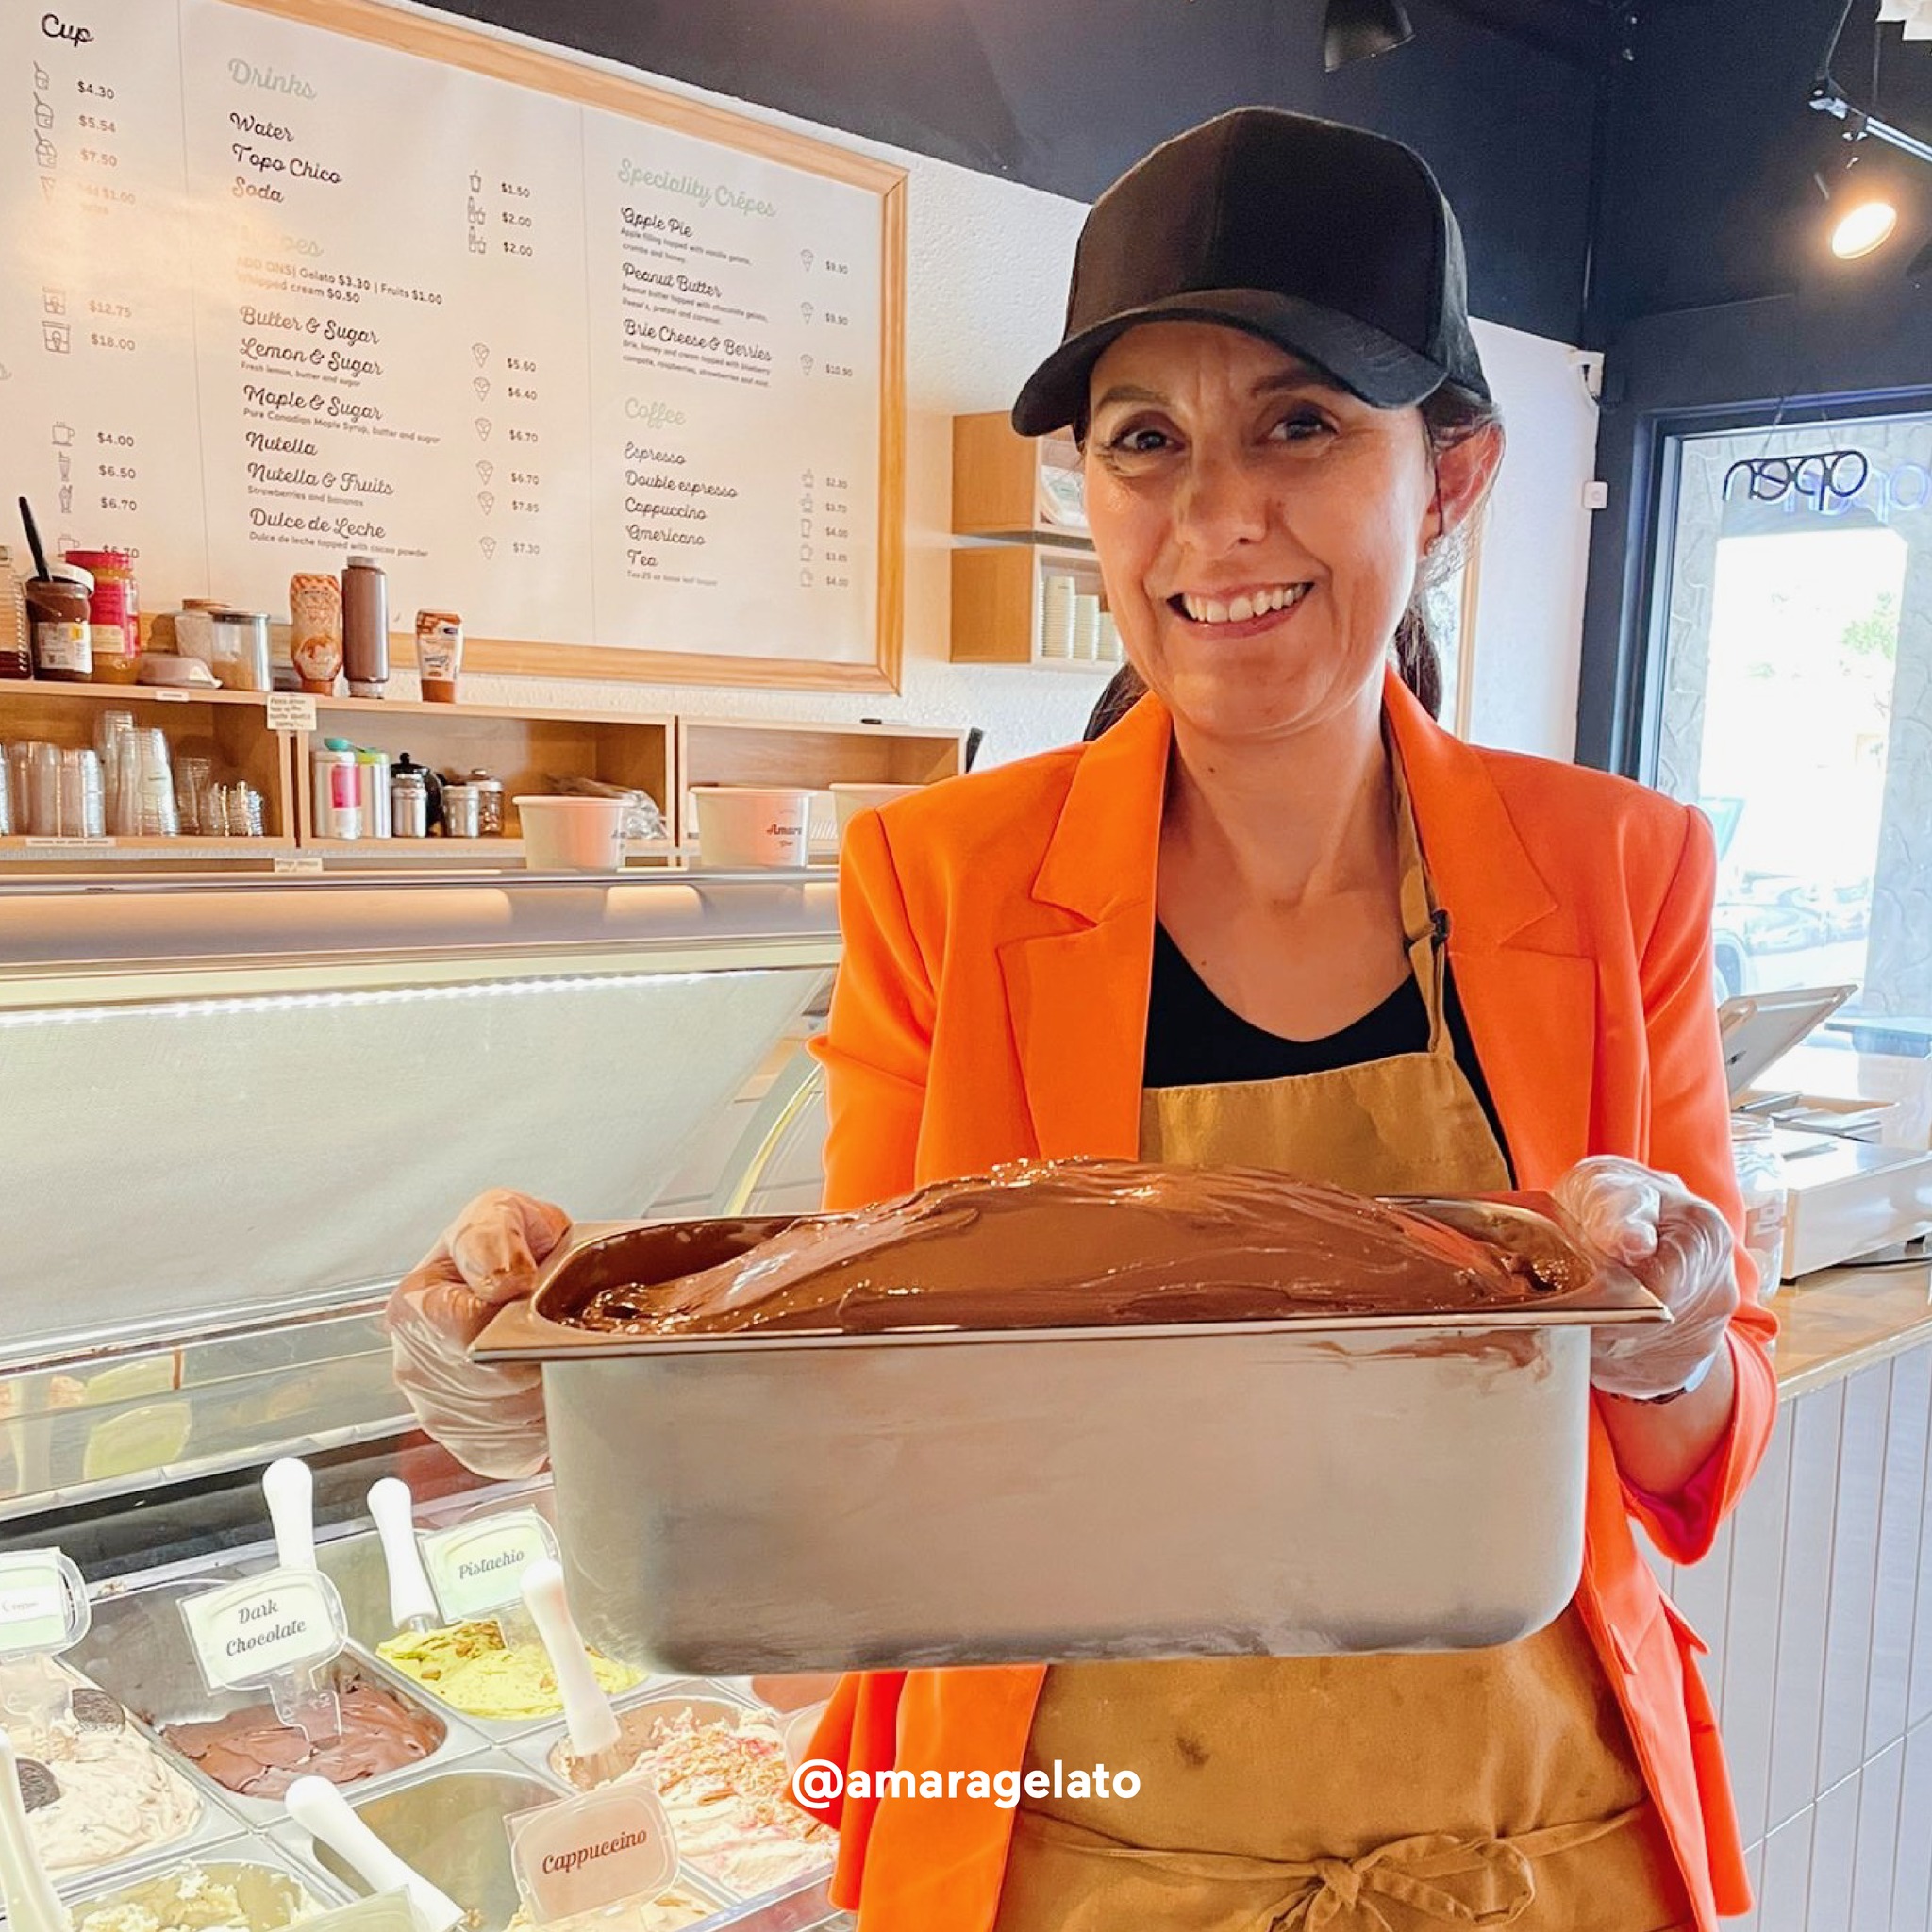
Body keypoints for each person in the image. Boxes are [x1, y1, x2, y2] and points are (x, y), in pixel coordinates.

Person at [389, 108, 1776, 1932]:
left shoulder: (1613, 872)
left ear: (1450, 479)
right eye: (1145, 442)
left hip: (1537, 1848)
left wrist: (1670, 1341)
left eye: (1301, 424)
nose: (1218, 515)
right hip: (1074, 1852)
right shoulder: (944, 881)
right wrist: (572, 1404)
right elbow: (850, 1419)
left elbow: (1692, 1468)